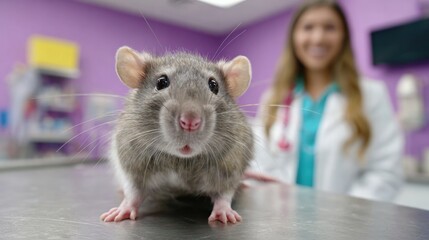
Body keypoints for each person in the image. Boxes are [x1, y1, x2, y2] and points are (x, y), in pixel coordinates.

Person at [245, 0, 404, 202]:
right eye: (308, 27)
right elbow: (260, 166)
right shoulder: (273, 98)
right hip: (281, 222)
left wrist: (343, 220)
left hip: (347, 226)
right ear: (294, 37)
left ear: (343, 37)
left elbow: (385, 172)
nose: (318, 38)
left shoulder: (371, 95)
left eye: (329, 28)